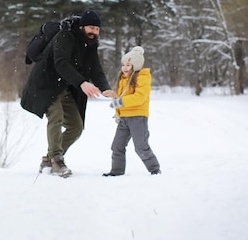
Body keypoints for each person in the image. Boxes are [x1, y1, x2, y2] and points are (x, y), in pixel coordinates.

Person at [21, 9, 116, 177]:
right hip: (46, 84)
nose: (94, 32)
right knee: (55, 116)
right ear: (81, 27)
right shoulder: (65, 36)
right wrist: (82, 83)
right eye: (91, 28)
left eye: (97, 29)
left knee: (76, 126)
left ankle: (48, 160)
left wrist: (105, 87)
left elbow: (96, 69)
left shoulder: (91, 44)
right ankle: (56, 161)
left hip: (64, 87)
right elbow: (61, 63)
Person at [103, 46, 161, 176]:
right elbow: (122, 96)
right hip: (124, 119)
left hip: (138, 117)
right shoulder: (123, 79)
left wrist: (120, 102)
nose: (124, 67)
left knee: (141, 146)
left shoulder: (143, 77)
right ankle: (116, 171)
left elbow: (140, 97)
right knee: (117, 146)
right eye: (123, 64)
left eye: (128, 65)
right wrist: (114, 97)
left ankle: (155, 170)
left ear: (135, 65)